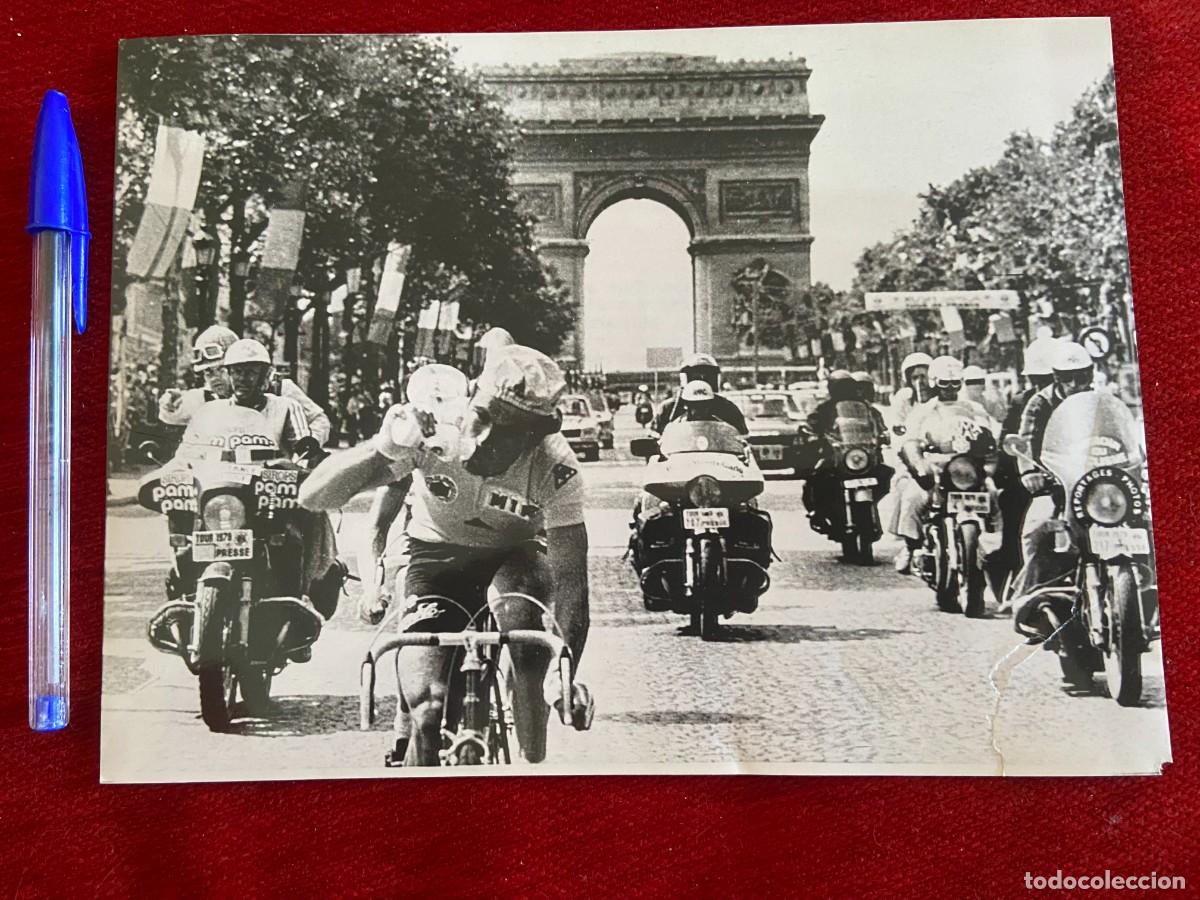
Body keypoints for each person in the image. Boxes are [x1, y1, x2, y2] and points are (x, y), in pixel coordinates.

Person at [299, 345, 594, 765]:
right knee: (427, 707)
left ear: (535, 435)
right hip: (435, 554)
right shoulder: (430, 431)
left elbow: (571, 584)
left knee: (524, 635)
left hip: (515, 555)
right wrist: (381, 448)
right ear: (470, 401)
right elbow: (313, 496)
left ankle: (531, 754)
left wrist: (562, 673)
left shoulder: (554, 464)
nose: (487, 438)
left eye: (508, 432)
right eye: (483, 418)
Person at [1009, 341, 1096, 637]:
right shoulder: (1040, 402)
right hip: (1056, 484)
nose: (1075, 384)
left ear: (1090, 374)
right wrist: (1030, 471)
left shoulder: (1097, 400)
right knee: (1036, 528)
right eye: (1067, 377)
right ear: (1056, 377)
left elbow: (1119, 435)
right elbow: (1026, 440)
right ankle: (1028, 601)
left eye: (1082, 376)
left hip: (1094, 486)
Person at [890, 356, 999, 574]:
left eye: (955, 383)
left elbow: (990, 434)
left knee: (995, 494)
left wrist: (991, 450)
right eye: (944, 383)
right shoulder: (923, 410)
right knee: (912, 496)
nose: (950, 389)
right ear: (934, 382)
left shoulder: (974, 408)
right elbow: (909, 439)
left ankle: (998, 546)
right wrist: (918, 462)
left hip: (967, 469)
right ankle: (912, 547)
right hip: (936, 467)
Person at [160, 326, 332, 445]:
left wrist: (307, 446)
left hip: (274, 476)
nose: (214, 378)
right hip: (224, 479)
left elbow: (319, 420)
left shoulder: (280, 389)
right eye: (208, 372)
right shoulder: (207, 398)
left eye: (220, 369)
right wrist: (168, 403)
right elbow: (172, 414)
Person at [993, 337, 1058, 607]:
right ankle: (1016, 582)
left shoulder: (1080, 399)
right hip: (1031, 473)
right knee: (1014, 509)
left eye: (1048, 378)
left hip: (1068, 472)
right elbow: (1006, 441)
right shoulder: (1023, 402)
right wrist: (1020, 471)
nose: (1042, 385)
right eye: (1037, 379)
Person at [652, 353, 748, 435]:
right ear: (685, 378)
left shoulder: (727, 408)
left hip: (717, 455)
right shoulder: (669, 408)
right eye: (696, 376)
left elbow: (742, 438)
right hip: (680, 455)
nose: (702, 379)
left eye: (707, 375)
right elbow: (656, 436)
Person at [889, 351, 934, 432]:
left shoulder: (939, 397)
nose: (919, 382)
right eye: (915, 378)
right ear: (909, 380)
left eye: (923, 376)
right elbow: (897, 421)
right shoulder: (905, 398)